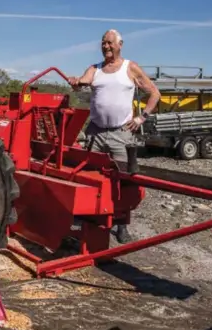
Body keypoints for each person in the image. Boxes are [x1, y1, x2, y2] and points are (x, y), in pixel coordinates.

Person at [67, 29, 161, 244]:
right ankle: (86, 218)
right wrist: (76, 83)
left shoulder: (130, 67)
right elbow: (82, 82)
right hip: (96, 132)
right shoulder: (95, 69)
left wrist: (141, 117)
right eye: (103, 43)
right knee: (89, 177)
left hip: (121, 133)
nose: (106, 47)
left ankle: (121, 225)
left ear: (120, 44)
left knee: (124, 180)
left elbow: (155, 93)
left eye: (110, 43)